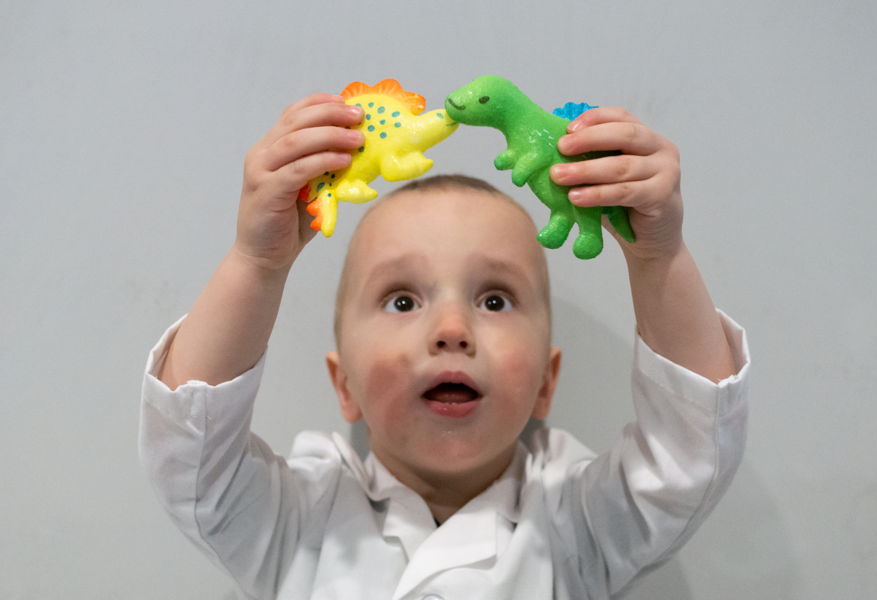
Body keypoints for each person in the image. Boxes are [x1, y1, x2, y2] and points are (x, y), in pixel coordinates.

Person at [139, 93, 750, 599]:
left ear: (545, 381)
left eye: (494, 300)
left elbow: (687, 456)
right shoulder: (297, 519)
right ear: (343, 384)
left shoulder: (578, 522)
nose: (452, 329)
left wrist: (658, 256)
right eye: (402, 301)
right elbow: (193, 452)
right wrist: (256, 263)